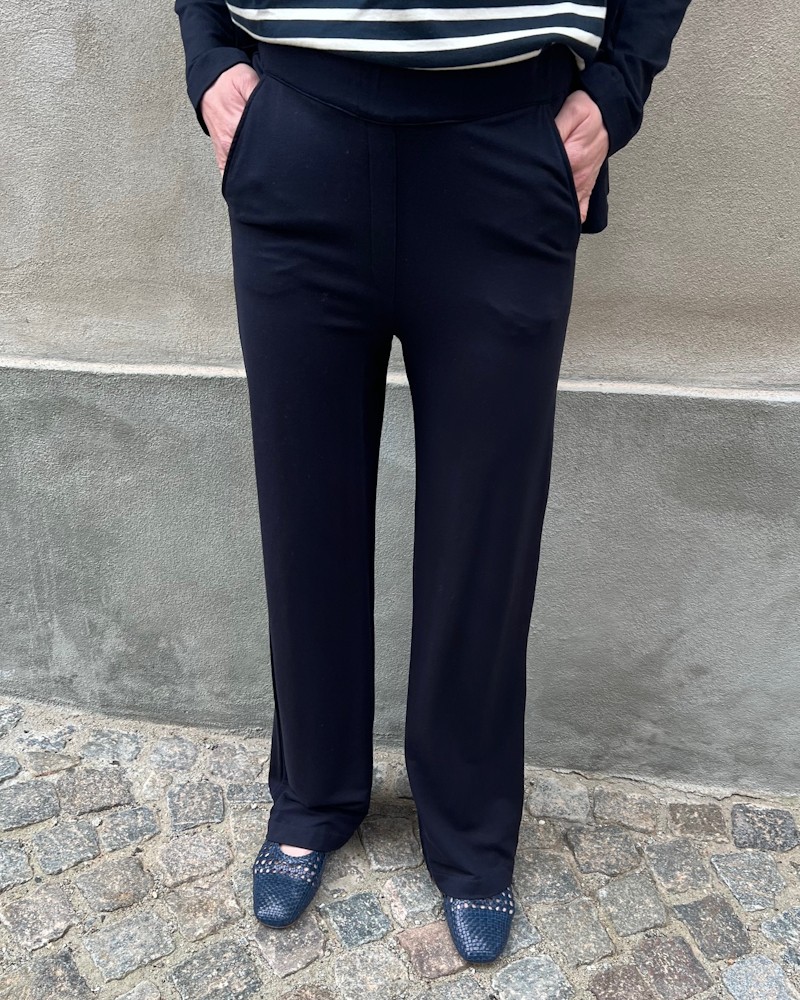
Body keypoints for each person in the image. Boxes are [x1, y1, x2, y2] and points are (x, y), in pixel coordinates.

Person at [174, 0, 692, 964]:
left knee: (487, 522)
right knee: (304, 506)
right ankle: (312, 794)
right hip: (297, 134)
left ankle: (470, 823)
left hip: (509, 145)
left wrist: (618, 90)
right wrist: (208, 57)